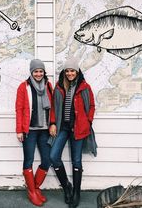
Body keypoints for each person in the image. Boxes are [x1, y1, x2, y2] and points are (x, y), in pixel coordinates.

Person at [49, 57, 95, 208]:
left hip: (78, 128)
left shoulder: (84, 87)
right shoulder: (59, 87)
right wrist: (53, 123)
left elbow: (92, 106)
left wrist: (88, 122)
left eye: (72, 71)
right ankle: (67, 186)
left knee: (76, 161)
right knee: (54, 156)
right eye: (67, 71)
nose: (69, 73)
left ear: (77, 71)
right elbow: (54, 108)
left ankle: (76, 192)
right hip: (63, 128)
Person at [16, 59, 53, 206]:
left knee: (47, 160)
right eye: (36, 71)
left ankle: (35, 187)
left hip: (44, 130)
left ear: (44, 72)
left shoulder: (48, 86)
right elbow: (19, 110)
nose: (38, 74)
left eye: (41, 71)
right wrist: (19, 130)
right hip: (29, 131)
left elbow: (53, 107)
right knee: (28, 160)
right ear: (31, 72)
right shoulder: (23, 87)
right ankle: (32, 192)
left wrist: (53, 124)